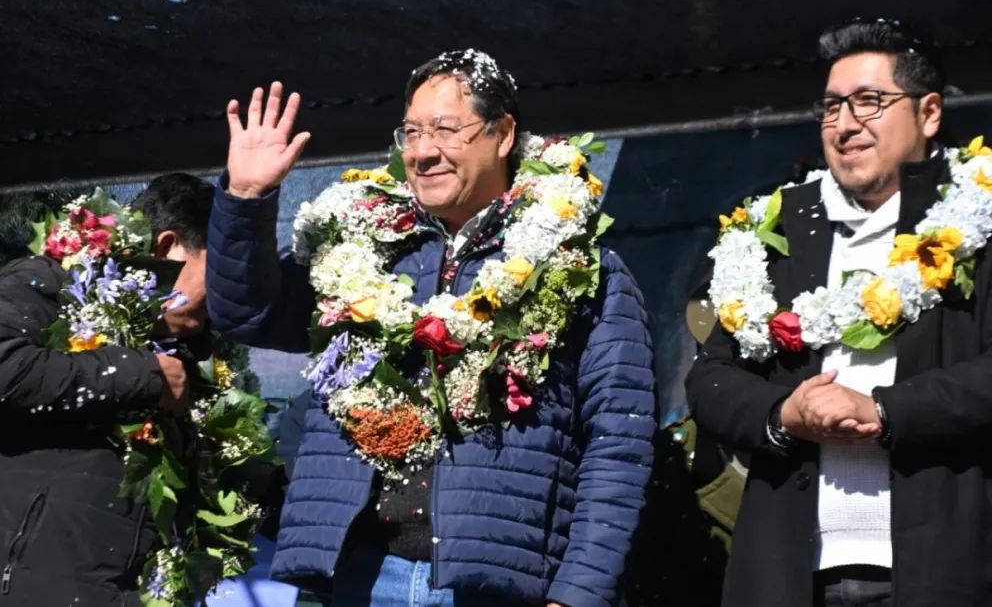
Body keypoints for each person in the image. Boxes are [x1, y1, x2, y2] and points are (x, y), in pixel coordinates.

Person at [205, 49, 656, 607]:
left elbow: (620, 443)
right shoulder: (361, 246)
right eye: (411, 132)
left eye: (445, 129)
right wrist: (246, 198)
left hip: (495, 586)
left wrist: (578, 593)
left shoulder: (584, 269)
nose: (422, 152)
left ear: (504, 133)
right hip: (359, 575)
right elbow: (243, 313)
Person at [685, 17, 992, 607]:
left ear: (929, 114)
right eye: (831, 107)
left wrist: (884, 410)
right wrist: (782, 414)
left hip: (943, 564)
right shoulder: (772, 226)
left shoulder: (977, 218)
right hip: (789, 571)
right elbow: (710, 376)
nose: (845, 124)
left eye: (869, 102)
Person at [0, 173, 213, 606]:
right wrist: (145, 373)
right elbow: (7, 368)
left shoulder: (190, 355)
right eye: (225, 270)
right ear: (167, 247)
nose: (231, 296)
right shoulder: (53, 280)